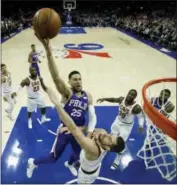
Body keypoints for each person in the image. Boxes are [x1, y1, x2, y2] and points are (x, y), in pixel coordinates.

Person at [26, 33, 97, 178]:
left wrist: (87, 131)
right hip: (65, 131)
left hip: (79, 132)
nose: (78, 81)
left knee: (79, 154)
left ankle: (70, 164)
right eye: (74, 79)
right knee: (53, 158)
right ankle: (33, 162)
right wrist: (49, 53)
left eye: (79, 79)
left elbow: (92, 116)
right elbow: (56, 77)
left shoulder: (88, 96)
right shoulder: (67, 93)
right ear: (69, 82)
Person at [35, 87, 125, 184]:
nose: (106, 134)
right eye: (110, 135)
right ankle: (69, 164)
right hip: (94, 166)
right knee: (76, 152)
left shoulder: (92, 149)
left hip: (86, 176)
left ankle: (68, 164)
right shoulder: (102, 134)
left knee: (76, 154)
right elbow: (87, 128)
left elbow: (73, 128)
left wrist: (57, 104)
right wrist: (84, 129)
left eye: (109, 139)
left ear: (108, 147)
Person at [97, 89, 144, 170]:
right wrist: (104, 99)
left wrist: (140, 125)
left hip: (126, 127)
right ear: (127, 93)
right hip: (117, 122)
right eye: (129, 93)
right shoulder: (122, 99)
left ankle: (117, 160)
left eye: (132, 95)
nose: (130, 95)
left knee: (120, 143)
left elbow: (141, 117)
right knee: (110, 138)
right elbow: (114, 99)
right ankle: (105, 150)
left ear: (135, 97)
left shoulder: (136, 107)